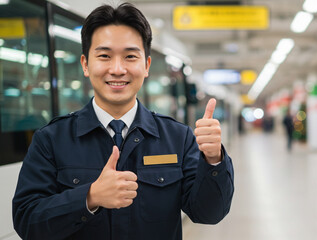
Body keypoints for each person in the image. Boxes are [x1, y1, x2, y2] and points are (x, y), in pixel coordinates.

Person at [12, 3, 234, 240]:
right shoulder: (51, 139)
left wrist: (213, 160)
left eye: (130, 56)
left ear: (146, 65)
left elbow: (209, 213)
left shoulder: (178, 137)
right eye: (104, 56)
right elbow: (27, 221)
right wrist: (89, 197)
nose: (117, 69)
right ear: (86, 64)